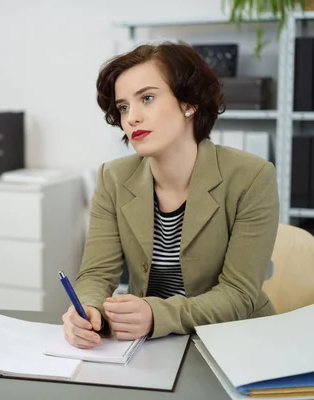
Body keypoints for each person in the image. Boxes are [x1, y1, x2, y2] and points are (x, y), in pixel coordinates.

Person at [62, 42, 279, 348]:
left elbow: (238, 294)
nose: (131, 117)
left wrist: (154, 314)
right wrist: (87, 310)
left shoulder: (252, 177)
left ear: (189, 104)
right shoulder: (113, 177)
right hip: (152, 346)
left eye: (147, 98)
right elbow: (97, 273)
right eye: (123, 107)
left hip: (236, 342)